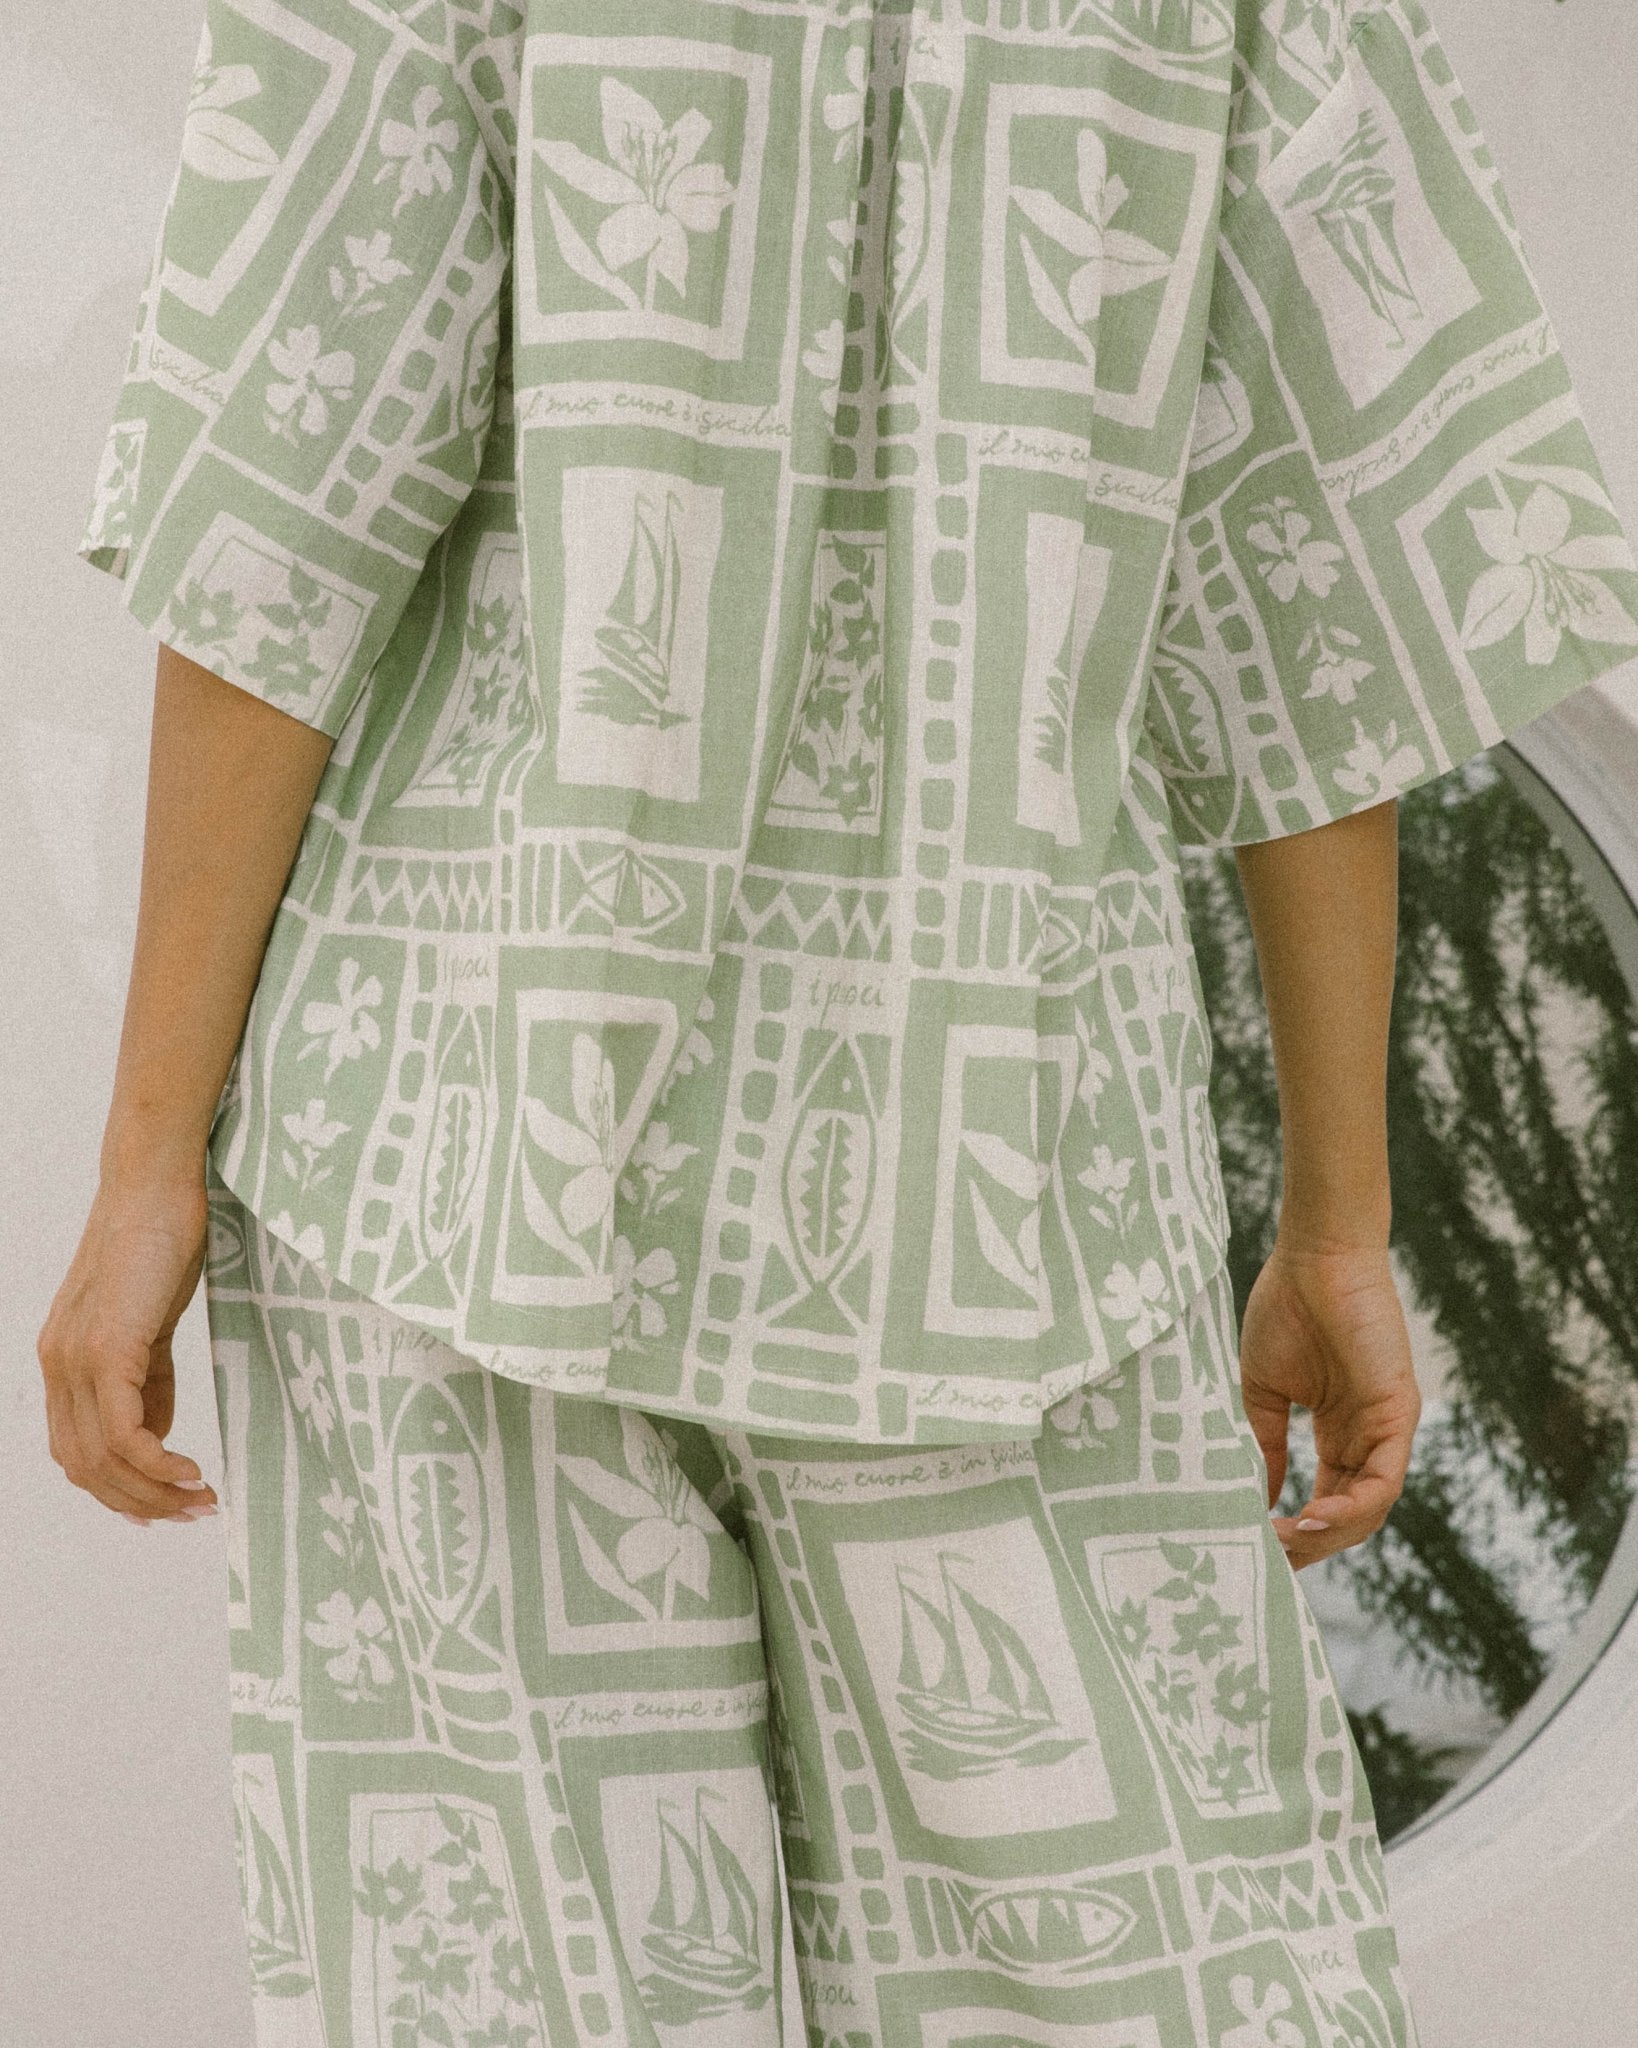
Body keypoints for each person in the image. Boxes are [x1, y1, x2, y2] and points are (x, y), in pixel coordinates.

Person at [39, 0, 1638, 2042]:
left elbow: (281, 514)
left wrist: (147, 1161)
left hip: (462, 1116)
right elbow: (1329, 580)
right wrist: (1335, 1212)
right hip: (992, 1159)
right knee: (1132, 1972)